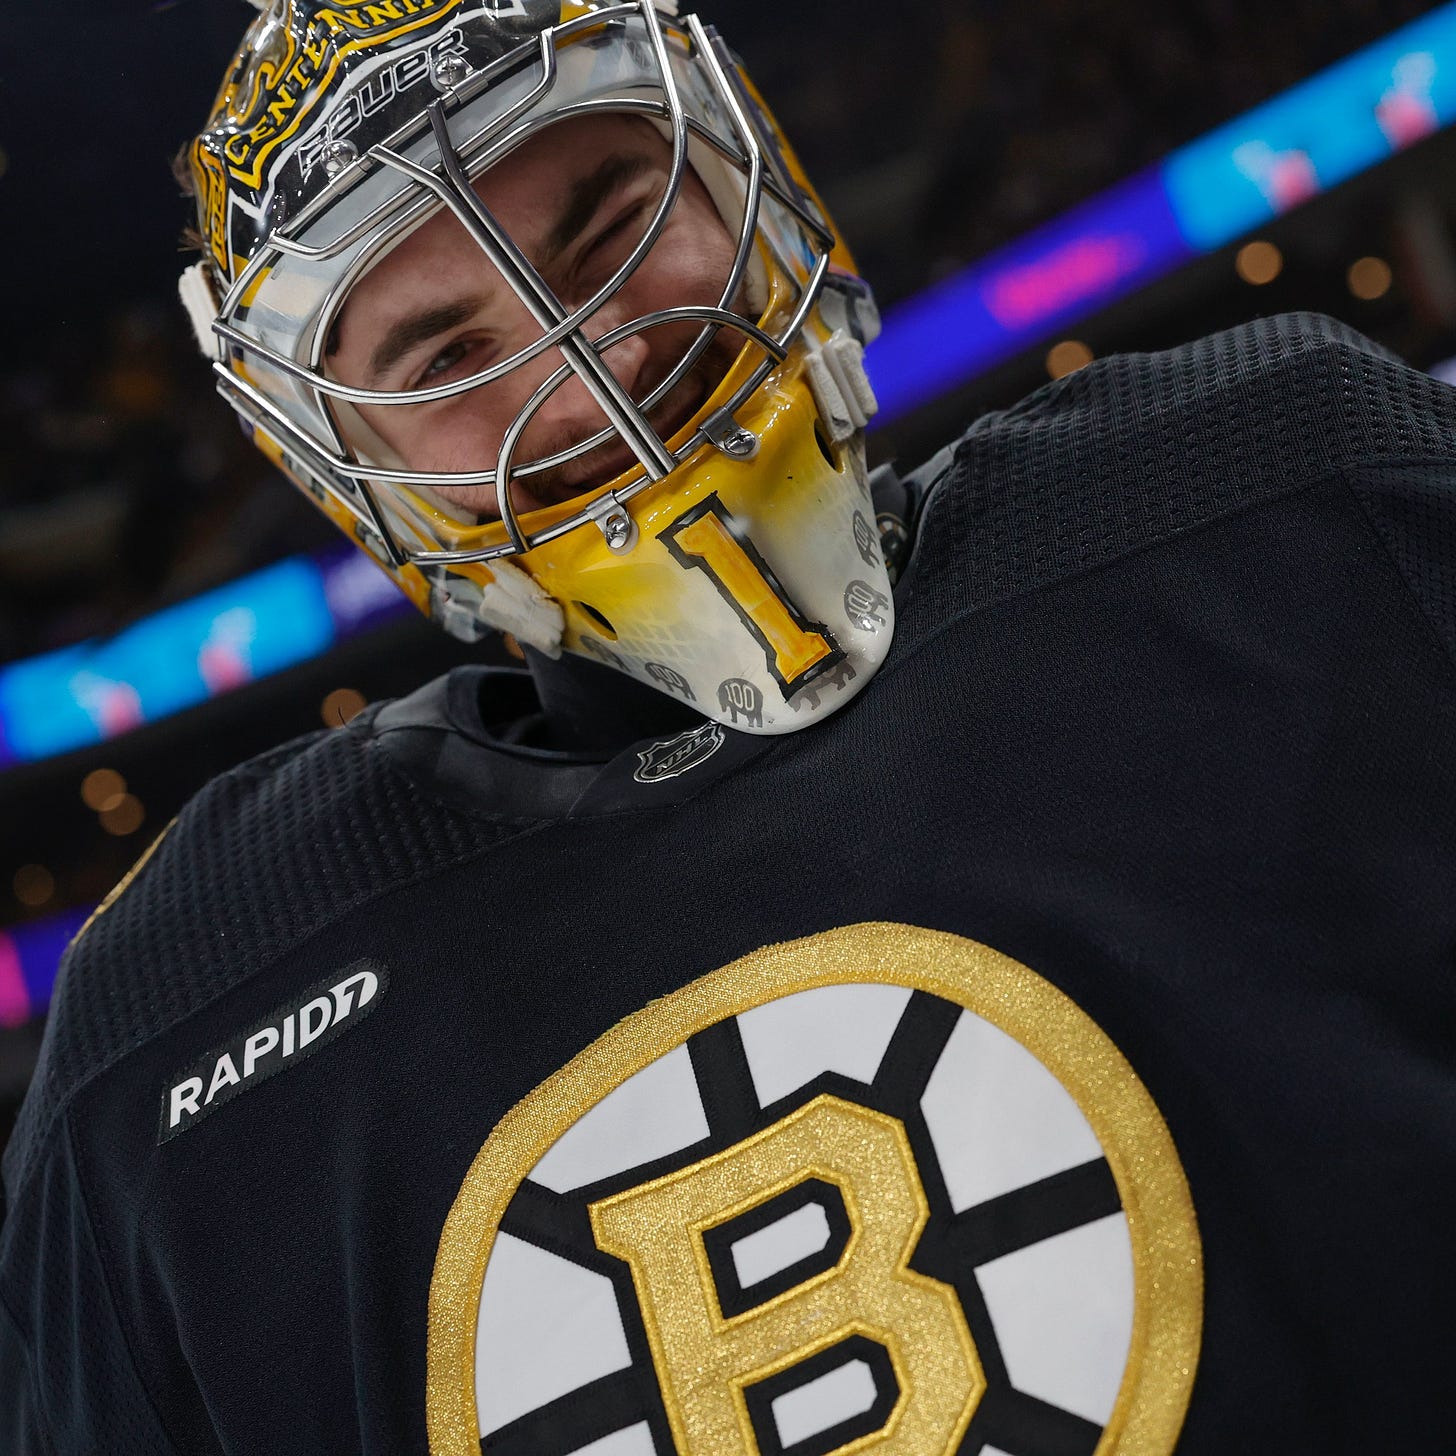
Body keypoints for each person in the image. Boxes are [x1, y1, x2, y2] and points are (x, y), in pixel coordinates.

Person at [2, 2, 1454, 1452]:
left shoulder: (1272, 484)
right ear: (350, 472)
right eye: (446, 353)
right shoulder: (172, 1021)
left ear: (752, 177)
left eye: (609, 224)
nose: (591, 374)